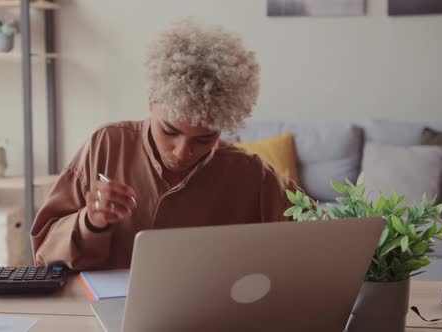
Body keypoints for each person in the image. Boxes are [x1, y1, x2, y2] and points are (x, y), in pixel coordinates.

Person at [30, 19, 300, 270]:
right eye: (170, 131)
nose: (183, 151)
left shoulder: (250, 173)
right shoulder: (108, 144)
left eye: (204, 139)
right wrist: (91, 221)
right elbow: (44, 249)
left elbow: (316, 234)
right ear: (151, 103)